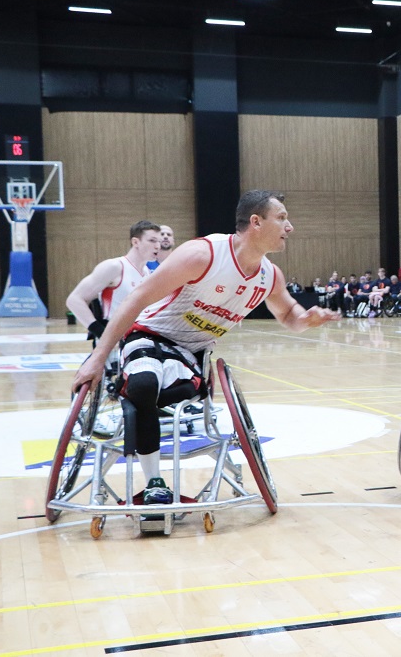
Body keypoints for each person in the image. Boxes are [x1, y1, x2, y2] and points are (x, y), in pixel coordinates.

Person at [71, 190, 339, 504]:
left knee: (168, 394)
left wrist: (307, 319)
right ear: (255, 222)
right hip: (149, 335)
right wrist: (98, 358)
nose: (289, 227)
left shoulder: (270, 276)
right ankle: (154, 482)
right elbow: (137, 298)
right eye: (281, 218)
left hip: (193, 354)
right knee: (143, 386)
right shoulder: (202, 255)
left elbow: (289, 315)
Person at [66, 220, 161, 341]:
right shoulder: (115, 266)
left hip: (134, 338)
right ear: (135, 242)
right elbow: (74, 300)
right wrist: (101, 333)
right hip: (113, 341)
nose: (157, 246)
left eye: (159, 241)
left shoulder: (147, 272)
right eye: (152, 240)